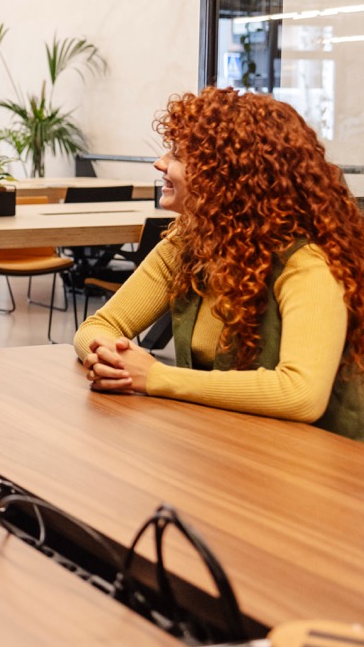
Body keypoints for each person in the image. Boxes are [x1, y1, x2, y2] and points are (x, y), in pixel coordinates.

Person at [75, 87, 364, 441]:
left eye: (179, 155)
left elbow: (301, 394)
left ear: (227, 176)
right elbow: (100, 324)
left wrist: (154, 376)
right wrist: (113, 358)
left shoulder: (308, 263)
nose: (160, 163)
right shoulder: (189, 244)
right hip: (224, 445)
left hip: (318, 468)